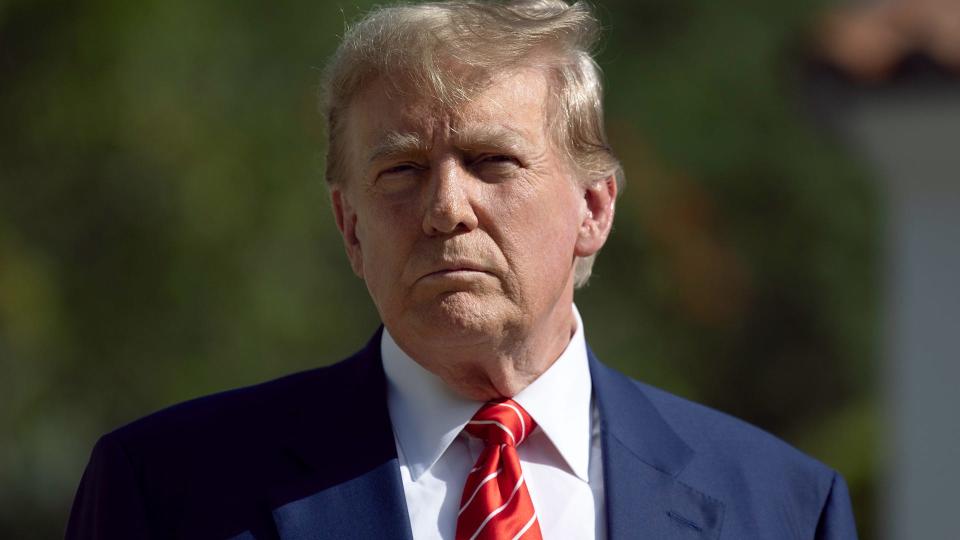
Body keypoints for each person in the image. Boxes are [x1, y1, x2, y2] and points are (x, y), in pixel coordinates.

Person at [67, 1, 859, 539]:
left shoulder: (780, 505)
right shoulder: (168, 487)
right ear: (349, 225)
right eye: (401, 171)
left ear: (594, 207)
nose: (447, 207)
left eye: (491, 160)